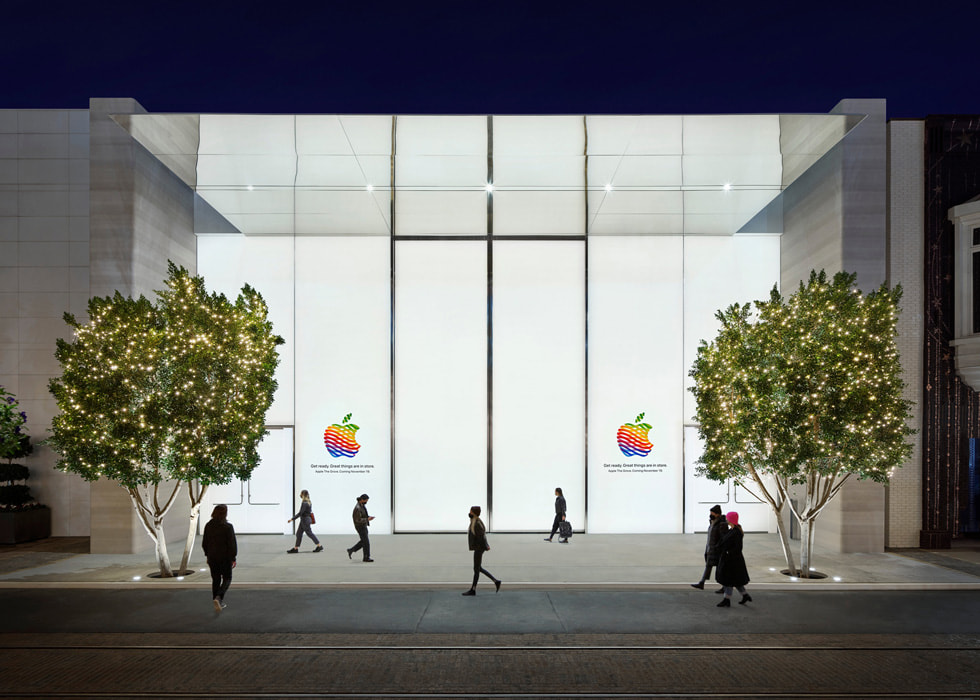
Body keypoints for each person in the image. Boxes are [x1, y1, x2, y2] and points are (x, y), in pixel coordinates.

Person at [201, 503, 237, 613]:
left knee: (216, 579)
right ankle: (219, 598)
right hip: (225, 557)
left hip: (212, 557)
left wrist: (207, 555)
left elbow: (205, 543)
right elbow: (232, 544)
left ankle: (216, 599)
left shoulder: (208, 525)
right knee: (227, 578)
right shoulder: (228, 527)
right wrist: (233, 558)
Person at [715, 510, 752, 608]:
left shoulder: (735, 533)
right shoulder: (735, 531)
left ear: (730, 520)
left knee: (729, 581)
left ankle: (726, 600)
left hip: (731, 561)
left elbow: (733, 547)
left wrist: (726, 552)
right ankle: (745, 595)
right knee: (735, 581)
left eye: (727, 518)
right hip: (734, 561)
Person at [463, 505, 500, 596]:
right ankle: (495, 581)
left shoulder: (477, 523)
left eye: (471, 511)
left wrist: (486, 546)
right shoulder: (474, 521)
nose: (469, 513)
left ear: (473, 513)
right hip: (478, 548)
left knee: (476, 569)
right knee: (478, 568)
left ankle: (473, 589)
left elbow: (481, 537)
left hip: (479, 548)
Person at [691, 505, 727, 591]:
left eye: (712, 513)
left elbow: (723, 538)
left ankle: (724, 586)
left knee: (719, 569)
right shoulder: (712, 522)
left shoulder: (722, 524)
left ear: (717, 514)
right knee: (709, 566)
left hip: (717, 550)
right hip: (710, 549)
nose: (711, 514)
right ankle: (702, 583)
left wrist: (718, 547)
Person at [286, 489, 322, 554]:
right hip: (304, 520)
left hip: (305, 521)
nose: (300, 495)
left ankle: (319, 546)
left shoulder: (304, 503)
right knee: (299, 534)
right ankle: (296, 548)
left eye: (301, 494)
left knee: (309, 533)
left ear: (303, 495)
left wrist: (292, 519)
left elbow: (300, 513)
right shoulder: (309, 502)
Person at [346, 493, 374, 562]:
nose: (366, 502)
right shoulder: (357, 508)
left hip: (363, 525)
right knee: (366, 542)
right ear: (362, 500)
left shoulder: (361, 506)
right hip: (360, 527)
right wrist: (367, 519)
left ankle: (351, 550)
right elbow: (358, 520)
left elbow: (363, 516)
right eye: (366, 501)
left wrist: (368, 517)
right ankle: (366, 557)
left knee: (363, 541)